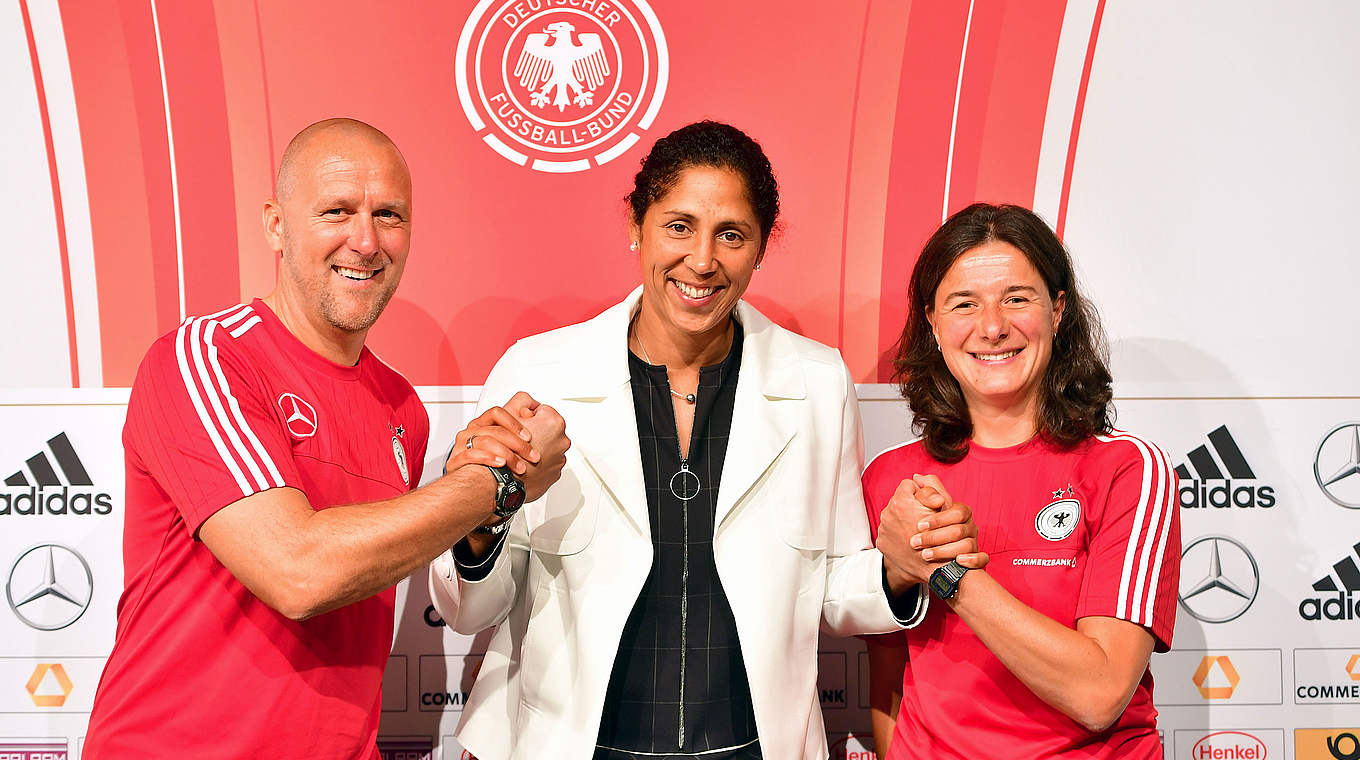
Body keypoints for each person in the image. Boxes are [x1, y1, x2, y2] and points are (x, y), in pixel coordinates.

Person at [429, 121, 986, 760]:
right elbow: (471, 609)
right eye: (678, 226)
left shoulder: (816, 380)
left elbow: (832, 590)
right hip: (570, 743)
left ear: (760, 247)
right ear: (636, 225)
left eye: (731, 235)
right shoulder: (539, 374)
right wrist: (477, 525)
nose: (702, 260)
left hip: (751, 745)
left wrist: (898, 566)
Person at [83, 118, 569, 758]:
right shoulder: (204, 358)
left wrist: (482, 485)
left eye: (389, 216)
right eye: (336, 211)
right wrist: (492, 486)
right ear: (276, 225)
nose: (365, 242)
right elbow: (298, 572)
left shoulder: (402, 406)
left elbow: (369, 564)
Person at [863, 203, 1181, 759]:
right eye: (965, 304)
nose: (992, 327)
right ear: (934, 324)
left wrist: (945, 571)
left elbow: (1100, 692)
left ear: (1058, 311)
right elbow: (888, 682)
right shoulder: (891, 481)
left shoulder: (1128, 470)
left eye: (1017, 298)